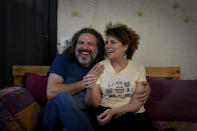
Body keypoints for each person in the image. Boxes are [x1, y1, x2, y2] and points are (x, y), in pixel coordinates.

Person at [42, 27, 151, 131]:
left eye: (90, 44)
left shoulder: (100, 65)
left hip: (82, 119)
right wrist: (85, 82)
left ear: (98, 48)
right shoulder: (63, 60)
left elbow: (123, 79)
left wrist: (147, 88)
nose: (84, 47)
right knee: (62, 97)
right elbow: (51, 92)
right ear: (75, 45)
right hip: (57, 116)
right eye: (81, 43)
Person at [84, 23, 156, 131]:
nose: (107, 46)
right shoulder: (99, 67)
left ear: (125, 46)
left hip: (131, 112)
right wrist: (90, 88)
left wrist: (115, 111)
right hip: (105, 110)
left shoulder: (138, 67)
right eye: (106, 42)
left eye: (112, 42)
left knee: (128, 119)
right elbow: (93, 105)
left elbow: (137, 104)